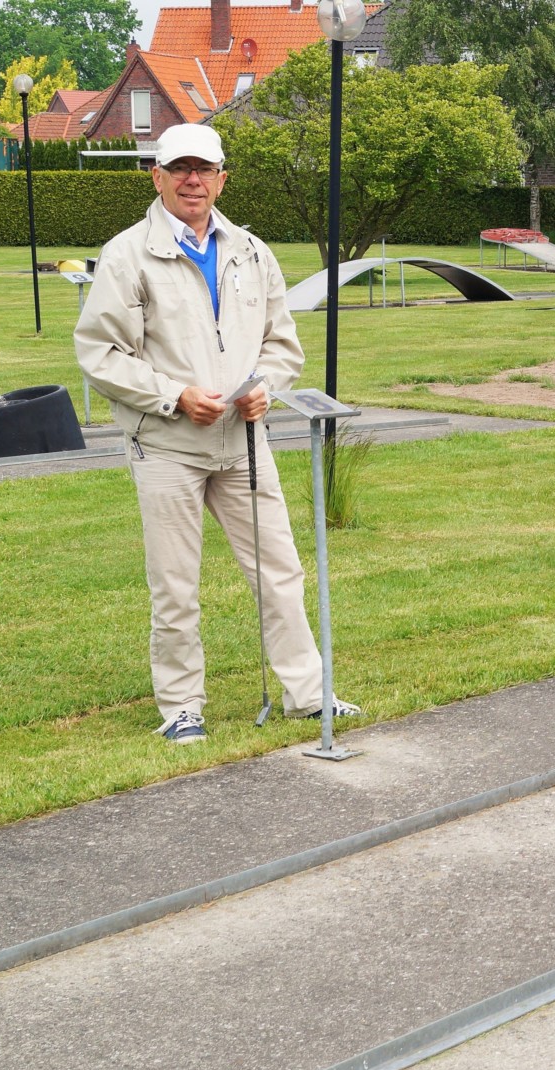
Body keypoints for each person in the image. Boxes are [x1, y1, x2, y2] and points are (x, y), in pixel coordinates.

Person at [75, 123, 360, 745]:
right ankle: (181, 706)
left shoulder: (253, 251)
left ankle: (309, 694)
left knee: (280, 570)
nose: (192, 180)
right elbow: (101, 353)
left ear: (223, 177)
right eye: (179, 168)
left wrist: (265, 385)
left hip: (244, 445)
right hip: (168, 446)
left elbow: (282, 345)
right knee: (175, 584)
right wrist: (173, 396)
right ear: (157, 176)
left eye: (203, 168)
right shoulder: (126, 254)